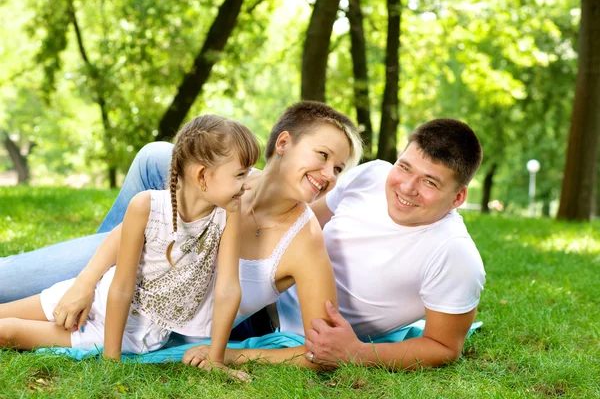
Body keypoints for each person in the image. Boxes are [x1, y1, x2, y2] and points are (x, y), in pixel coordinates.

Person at [0, 101, 363, 369]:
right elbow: (138, 228)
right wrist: (85, 282)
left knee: (12, 327)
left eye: (338, 168)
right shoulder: (224, 183)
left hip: (150, 318)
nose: (329, 174)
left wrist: (229, 355)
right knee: (6, 281)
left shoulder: (303, 243)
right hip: (119, 268)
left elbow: (322, 351)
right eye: (322, 155)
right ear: (283, 143)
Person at [183, 118, 486, 371]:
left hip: (279, 331)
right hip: (261, 281)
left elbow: (444, 346)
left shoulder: (454, 254)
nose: (407, 188)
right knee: (159, 158)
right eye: (405, 167)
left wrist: (356, 352)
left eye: (430, 183)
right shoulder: (372, 174)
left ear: (458, 198)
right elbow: (299, 220)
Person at [0, 114, 261, 379]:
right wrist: (111, 361)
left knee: (7, 332)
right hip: (98, 300)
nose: (246, 183)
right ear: (202, 175)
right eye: (241, 174)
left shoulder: (228, 214)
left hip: (129, 334)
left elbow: (227, 288)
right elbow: (122, 286)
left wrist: (216, 359)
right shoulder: (146, 206)